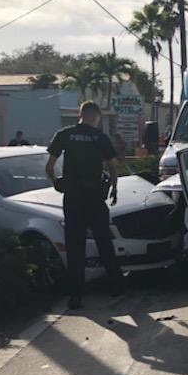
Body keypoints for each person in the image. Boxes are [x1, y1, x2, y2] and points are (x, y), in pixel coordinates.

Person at [45, 102, 123, 309]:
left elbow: (49, 166)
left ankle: (76, 296)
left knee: (75, 245)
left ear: (80, 115)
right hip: (95, 196)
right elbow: (113, 168)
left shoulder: (64, 134)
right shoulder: (100, 137)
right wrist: (113, 189)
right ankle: (115, 285)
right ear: (96, 117)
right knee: (104, 241)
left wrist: (57, 184)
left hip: (73, 197)